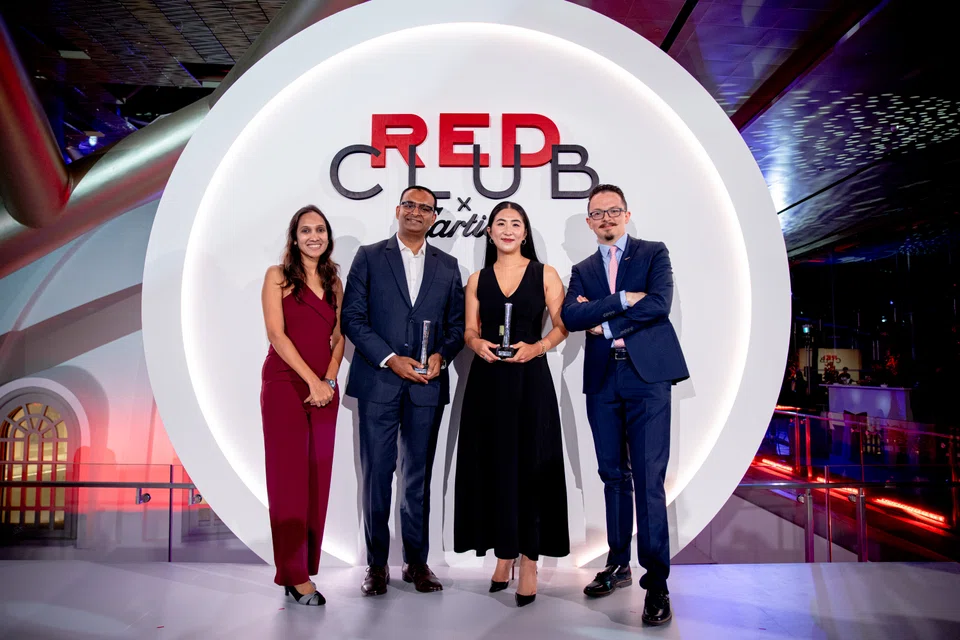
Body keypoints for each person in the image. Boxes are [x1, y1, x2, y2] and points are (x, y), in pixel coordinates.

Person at [561, 184, 689, 626]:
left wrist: (605, 320)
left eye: (614, 211)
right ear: (589, 222)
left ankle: (657, 583)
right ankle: (617, 564)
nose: (607, 218)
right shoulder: (580, 269)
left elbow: (658, 304)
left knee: (649, 480)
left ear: (627, 214)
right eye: (598, 213)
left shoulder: (654, 253)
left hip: (647, 377)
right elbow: (571, 318)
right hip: (602, 379)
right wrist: (617, 301)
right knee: (612, 475)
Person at [341, 186, 465, 596]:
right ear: (398, 210)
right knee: (377, 475)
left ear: (434, 217)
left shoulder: (448, 266)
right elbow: (353, 320)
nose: (415, 212)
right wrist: (390, 358)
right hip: (379, 382)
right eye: (409, 205)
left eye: (424, 208)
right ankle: (377, 565)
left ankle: (416, 562)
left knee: (418, 478)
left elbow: (455, 327)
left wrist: (442, 357)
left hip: (426, 387)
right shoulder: (370, 256)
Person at [454, 202, 570, 607]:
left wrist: (537, 347)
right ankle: (503, 554)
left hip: (530, 381)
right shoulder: (476, 279)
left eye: (515, 223)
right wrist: (476, 343)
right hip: (487, 382)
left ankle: (530, 559)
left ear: (525, 232)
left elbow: (562, 326)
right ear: (489, 232)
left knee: (532, 466)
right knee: (494, 466)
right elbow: (470, 329)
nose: (507, 229)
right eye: (500, 223)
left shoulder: (545, 273)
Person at [260, 205, 344, 606]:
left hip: (324, 391)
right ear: (294, 237)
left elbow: (339, 337)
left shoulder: (334, 281)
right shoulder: (277, 277)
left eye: (321, 230)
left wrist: (327, 380)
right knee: (288, 482)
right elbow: (276, 335)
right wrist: (312, 381)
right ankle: (293, 576)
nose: (315, 236)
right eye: (306, 230)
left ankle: (305, 566)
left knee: (316, 483)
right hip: (285, 386)